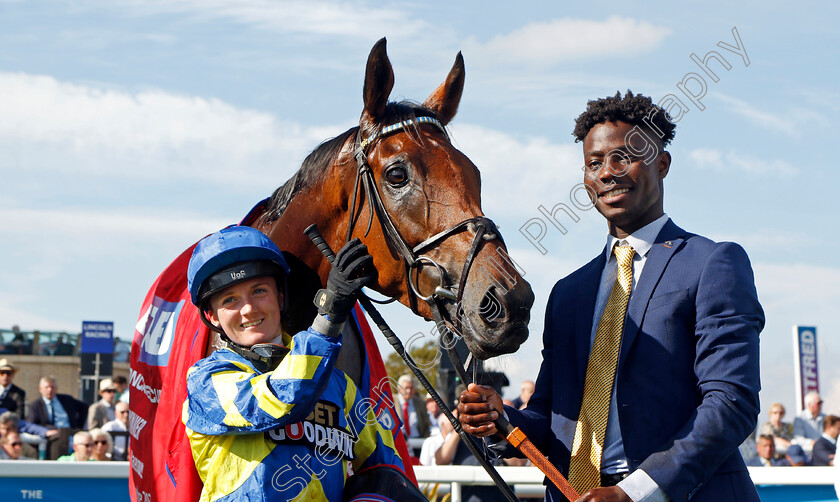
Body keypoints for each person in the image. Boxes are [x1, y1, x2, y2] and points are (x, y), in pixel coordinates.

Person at [458, 91, 764, 502]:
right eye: (594, 163)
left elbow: (732, 401)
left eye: (623, 157)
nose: (607, 172)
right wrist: (501, 417)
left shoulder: (713, 264)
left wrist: (633, 492)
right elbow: (552, 418)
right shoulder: (568, 293)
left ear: (662, 164)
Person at [182, 226, 411, 501]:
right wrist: (328, 319)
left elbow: (385, 466)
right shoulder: (206, 382)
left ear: (280, 297)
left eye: (258, 291)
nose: (248, 309)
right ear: (212, 317)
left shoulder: (338, 385)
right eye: (230, 300)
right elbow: (281, 398)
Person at [397, 374, 431, 449]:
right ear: (399, 389)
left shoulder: (420, 403)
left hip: (417, 443)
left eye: (411, 388)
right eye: (406, 388)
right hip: (398, 442)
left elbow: (426, 425)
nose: (409, 391)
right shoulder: (392, 402)